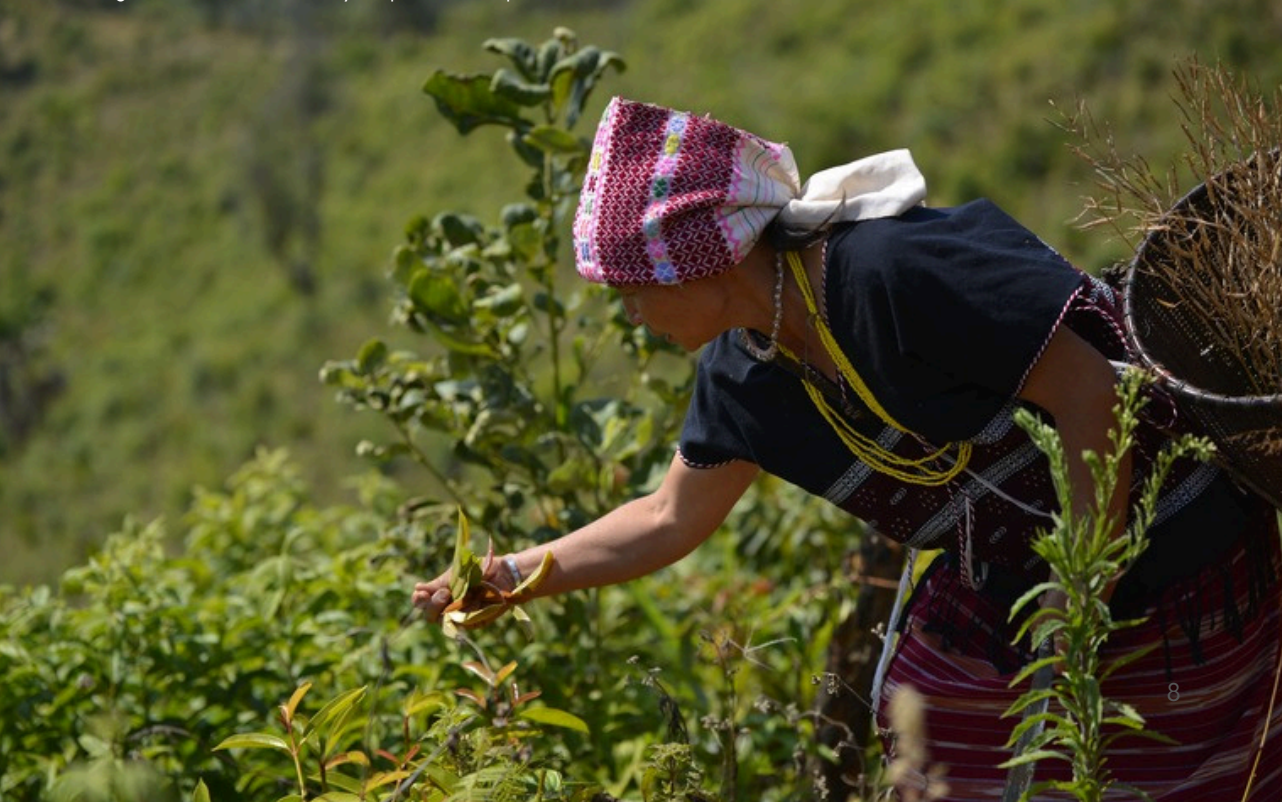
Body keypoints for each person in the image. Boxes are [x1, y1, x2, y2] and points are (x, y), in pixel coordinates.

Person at [413, 97, 1282, 799]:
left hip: (1159, 545)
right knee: (932, 721)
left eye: (632, 289)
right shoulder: (745, 374)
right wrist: (514, 572)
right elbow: (668, 517)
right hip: (1020, 576)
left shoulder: (890, 272)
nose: (630, 314)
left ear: (697, 264)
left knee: (1163, 770)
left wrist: (1082, 589)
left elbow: (1092, 393)